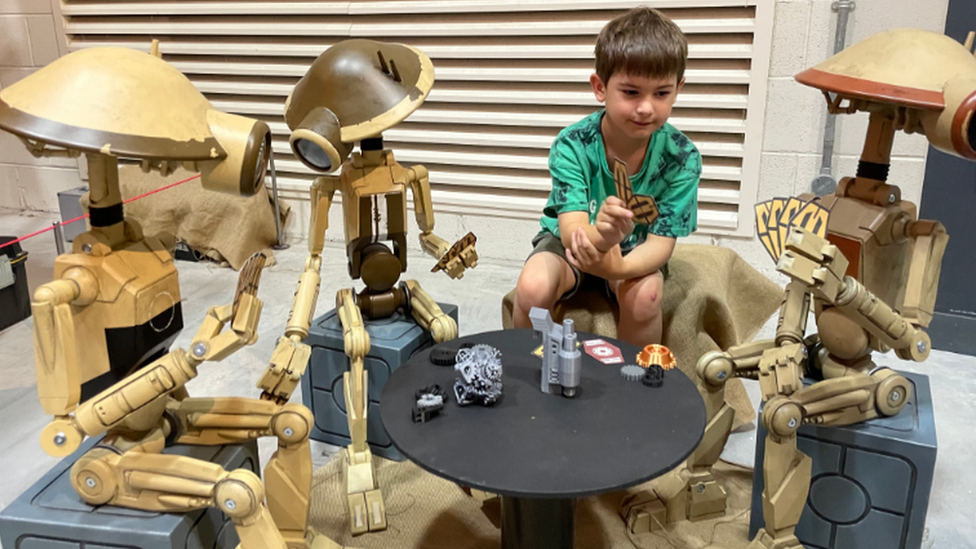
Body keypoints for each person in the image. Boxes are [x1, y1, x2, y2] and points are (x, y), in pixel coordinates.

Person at [513, 6, 701, 347]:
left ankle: (631, 387)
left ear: (679, 88)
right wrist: (602, 235)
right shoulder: (572, 144)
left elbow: (660, 245)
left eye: (661, 93)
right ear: (600, 87)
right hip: (571, 245)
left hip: (636, 250)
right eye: (631, 92)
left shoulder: (683, 157)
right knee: (531, 287)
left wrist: (616, 270)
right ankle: (524, 374)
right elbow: (572, 232)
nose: (646, 107)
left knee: (646, 296)